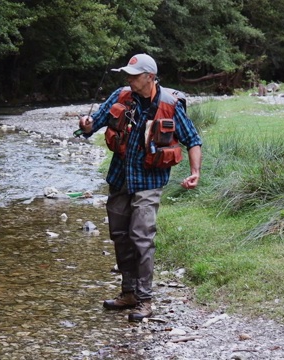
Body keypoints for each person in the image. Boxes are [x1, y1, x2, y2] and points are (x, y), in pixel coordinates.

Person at [77, 53, 202, 321]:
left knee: (141, 238)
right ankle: (128, 292)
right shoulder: (122, 96)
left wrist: (195, 172)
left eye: (133, 76)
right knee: (120, 235)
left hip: (149, 182)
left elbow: (193, 139)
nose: (128, 79)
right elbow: (94, 124)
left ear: (149, 77)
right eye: (127, 75)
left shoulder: (170, 104)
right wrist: (85, 126)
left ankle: (145, 300)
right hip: (120, 179)